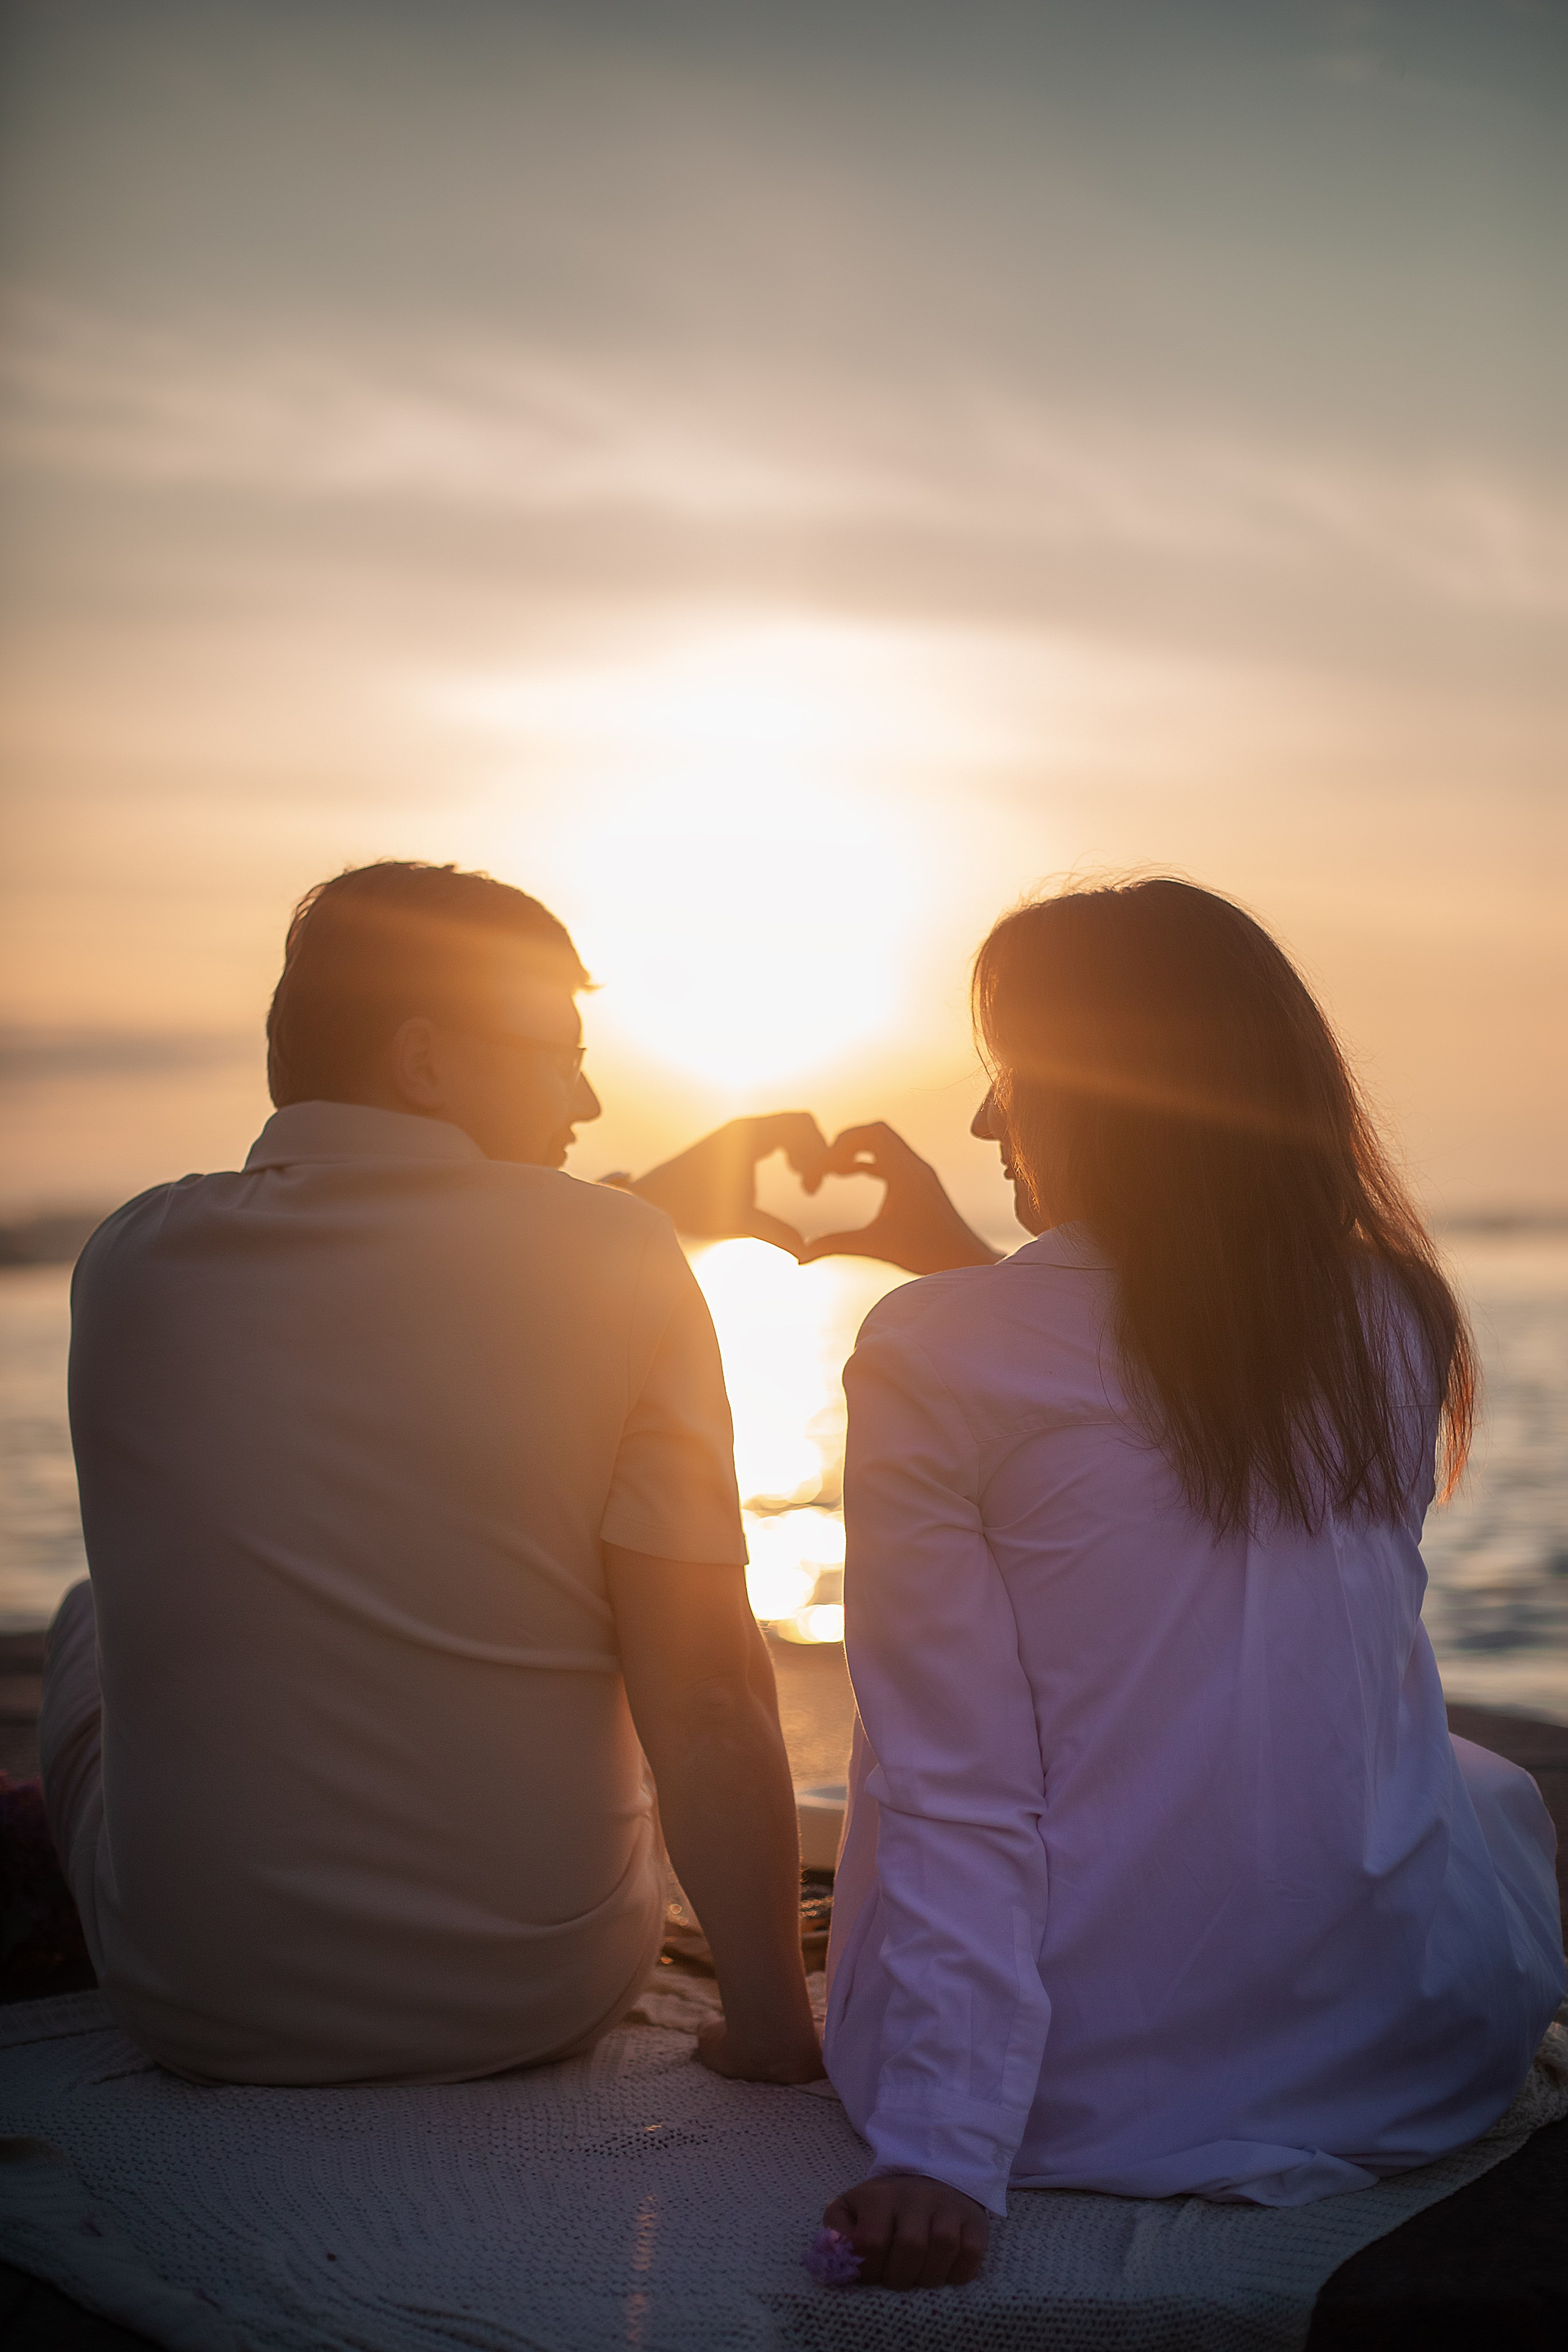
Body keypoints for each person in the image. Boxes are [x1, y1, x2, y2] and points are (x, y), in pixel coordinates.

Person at [814, 878, 1564, 2292]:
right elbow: (1153, 1456)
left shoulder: (928, 1349)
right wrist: (969, 1278)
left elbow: (954, 1777)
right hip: (1397, 2044)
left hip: (1079, 2084)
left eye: (1006, 1078)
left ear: (1106, 1097)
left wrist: (942, 2146)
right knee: (1469, 1783)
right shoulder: (1388, 1314)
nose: (983, 1123)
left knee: (927, 1783)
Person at [44, 859, 826, 2087]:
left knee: (90, 1618)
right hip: (527, 1995)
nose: (584, 1096)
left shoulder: (127, 1264)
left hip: (195, 2004)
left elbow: (390, 1300)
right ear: (423, 1062)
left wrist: (624, 1211)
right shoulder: (614, 1258)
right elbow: (710, 1693)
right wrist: (776, 2030)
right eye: (555, 1051)